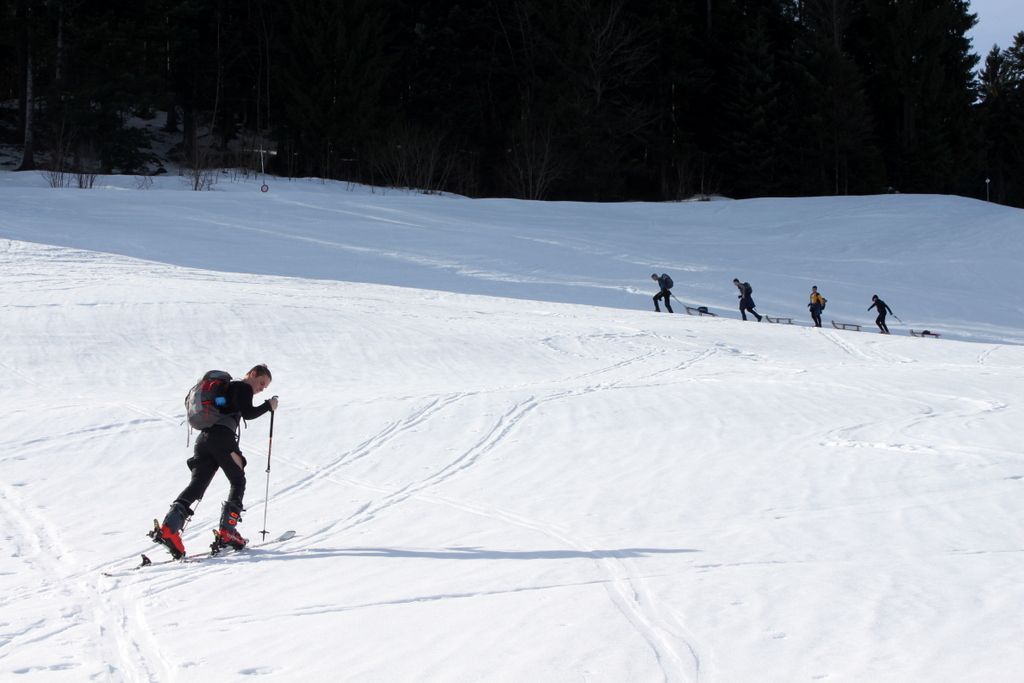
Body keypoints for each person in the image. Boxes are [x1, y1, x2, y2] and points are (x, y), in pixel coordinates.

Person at [150, 364, 279, 558]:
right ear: (253, 374)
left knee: (197, 484)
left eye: (265, 387)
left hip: (203, 440)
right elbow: (248, 413)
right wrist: (269, 406)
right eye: (261, 383)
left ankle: (169, 528)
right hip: (222, 439)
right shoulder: (243, 387)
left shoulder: (226, 390)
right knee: (238, 480)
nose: (261, 389)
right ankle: (228, 531)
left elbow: (227, 407)